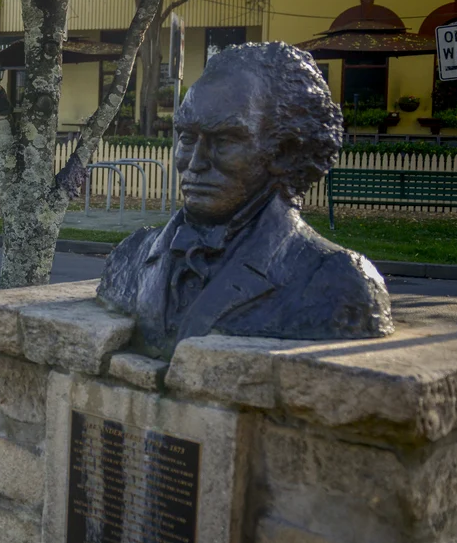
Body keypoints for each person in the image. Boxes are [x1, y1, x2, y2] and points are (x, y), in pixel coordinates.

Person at [97, 42, 393, 356]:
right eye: (186, 137)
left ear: (284, 151)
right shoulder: (129, 256)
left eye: (224, 140)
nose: (195, 162)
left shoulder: (337, 282)